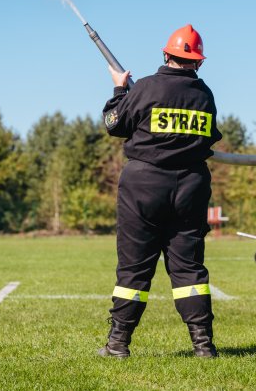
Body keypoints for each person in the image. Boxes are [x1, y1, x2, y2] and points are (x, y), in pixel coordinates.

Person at [98, 24, 222, 359]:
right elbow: (211, 138)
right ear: (197, 62)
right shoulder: (204, 94)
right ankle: (203, 345)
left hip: (144, 185)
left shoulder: (147, 88)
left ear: (166, 55)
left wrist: (119, 90)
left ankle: (118, 344)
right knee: (189, 268)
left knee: (134, 268)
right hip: (191, 188)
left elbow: (113, 125)